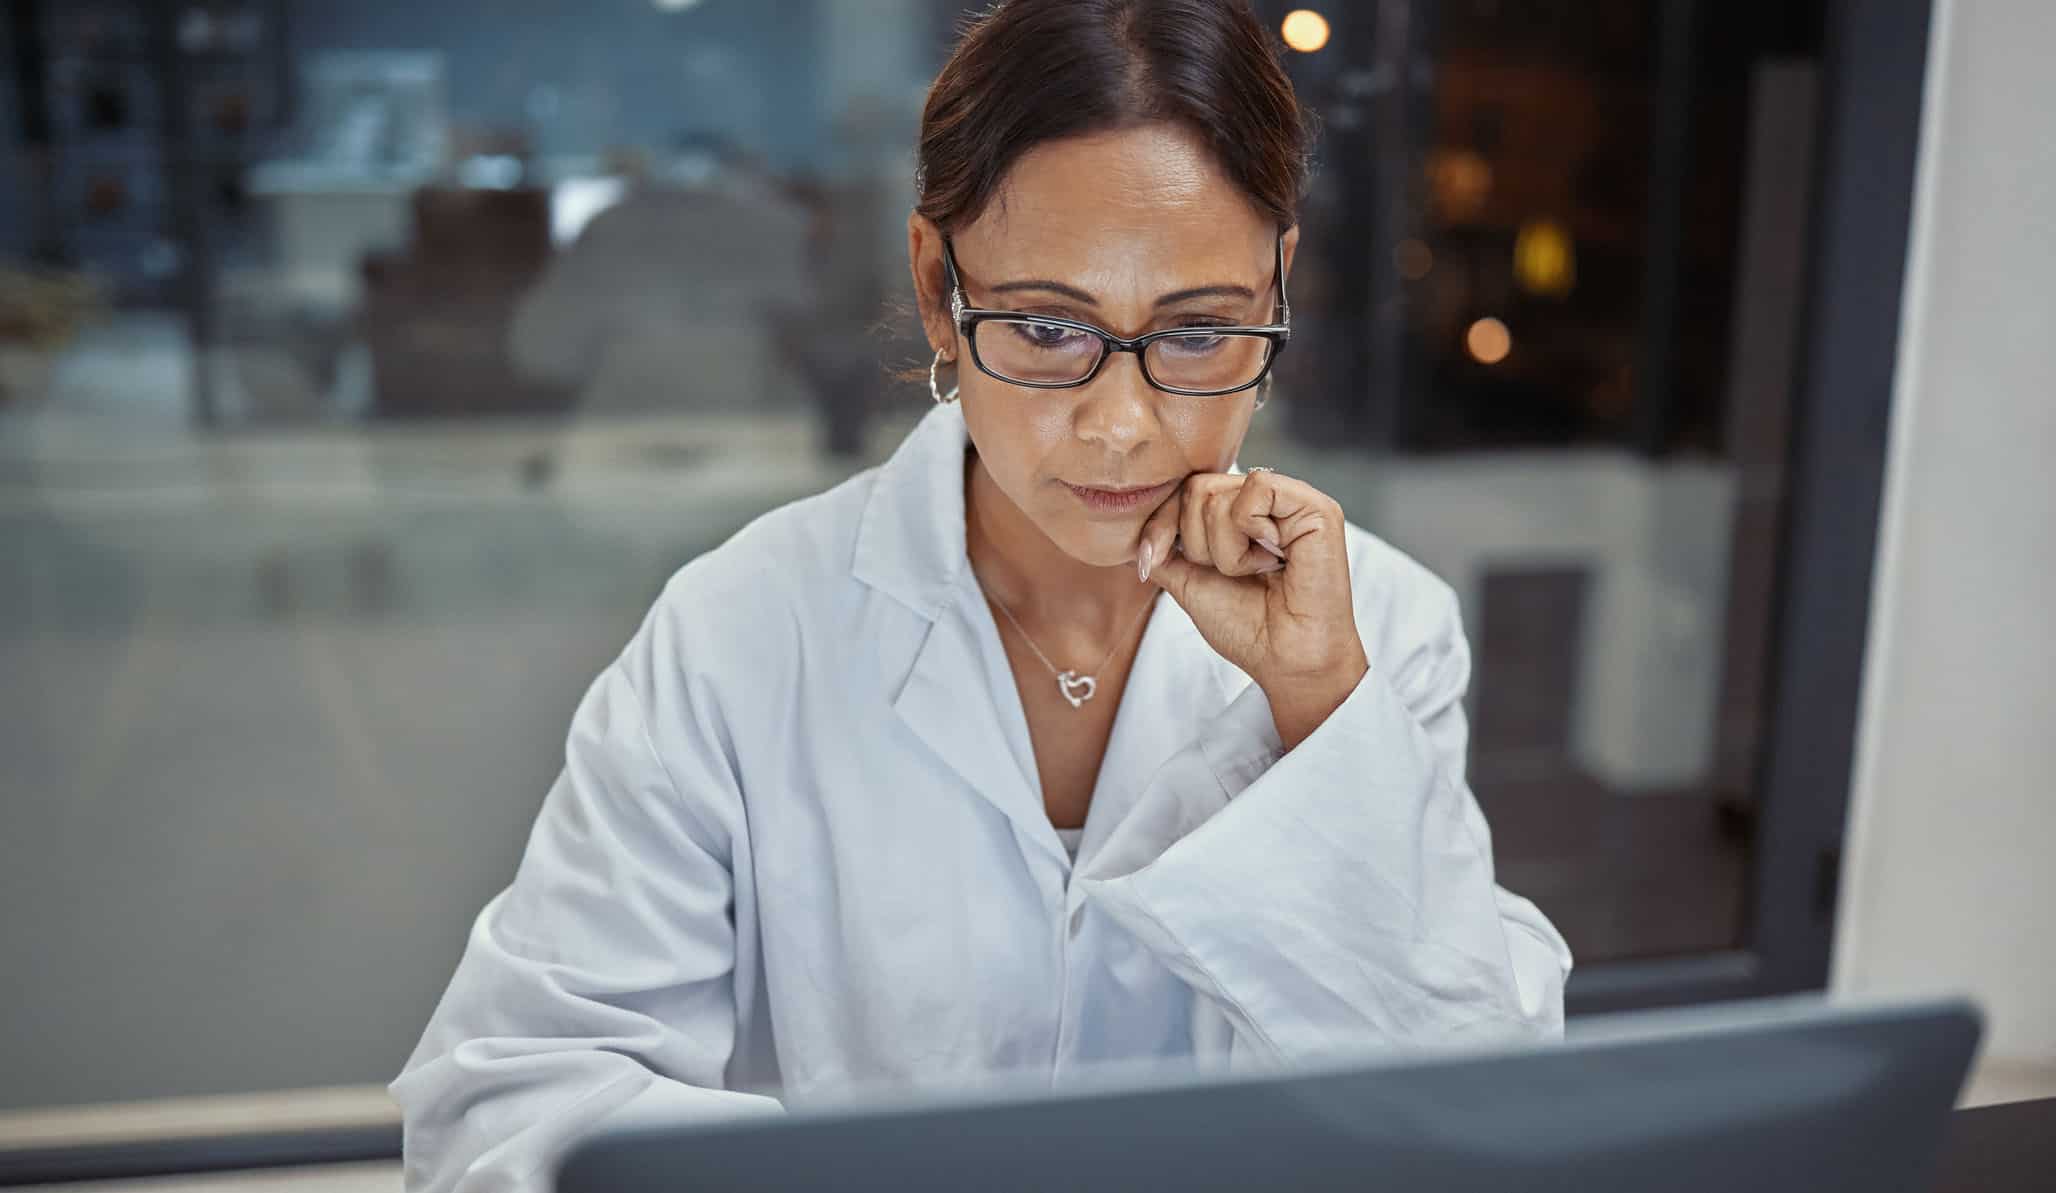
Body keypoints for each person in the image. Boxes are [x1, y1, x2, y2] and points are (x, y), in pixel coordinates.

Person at [391, 3, 1571, 1190]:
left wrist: (1320, 712)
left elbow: (1472, 1111)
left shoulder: (1381, 629)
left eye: (1201, 329)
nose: (1121, 425)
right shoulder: (743, 631)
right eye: (1048, 326)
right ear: (935, 287)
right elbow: (513, 1101)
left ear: (1280, 279)